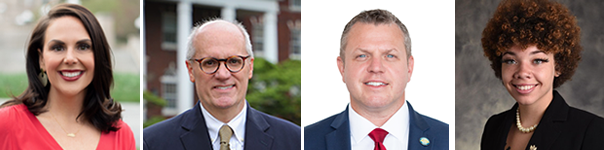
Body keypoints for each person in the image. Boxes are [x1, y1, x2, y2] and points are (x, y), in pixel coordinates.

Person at [143, 19, 301, 150]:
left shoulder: (295, 140)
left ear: (250, 67)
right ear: (191, 70)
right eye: (210, 63)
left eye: (234, 61)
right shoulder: (152, 143)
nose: (223, 74)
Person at [304, 9, 448, 150]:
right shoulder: (306, 141)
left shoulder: (447, 140)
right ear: (342, 67)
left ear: (409, 67)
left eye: (390, 56)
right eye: (362, 56)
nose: (376, 67)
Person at [0, 3, 135, 150]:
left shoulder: (121, 136)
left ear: (98, 57)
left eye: (83, 47)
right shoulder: (6, 125)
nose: (70, 58)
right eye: (58, 48)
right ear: (41, 60)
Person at [480, 0, 604, 149]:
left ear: (558, 66)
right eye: (511, 61)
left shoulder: (592, 130)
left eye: (537, 60)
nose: (522, 72)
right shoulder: (494, 127)